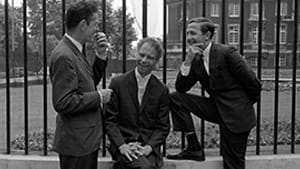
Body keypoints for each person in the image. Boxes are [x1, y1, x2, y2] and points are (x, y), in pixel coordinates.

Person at [166, 17, 261, 169]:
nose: (189, 38)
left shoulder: (226, 53)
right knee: (176, 98)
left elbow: (253, 83)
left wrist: (241, 106)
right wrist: (187, 62)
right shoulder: (196, 60)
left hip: (237, 114)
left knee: (232, 163)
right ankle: (193, 147)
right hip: (217, 108)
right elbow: (181, 88)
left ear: (207, 35)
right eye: (187, 33)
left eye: (193, 33)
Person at [49, 1, 112, 169]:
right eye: (95, 24)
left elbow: (88, 83)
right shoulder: (65, 55)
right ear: (83, 24)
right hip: (77, 144)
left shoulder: (75, 50)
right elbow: (63, 102)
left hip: (84, 141)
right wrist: (99, 96)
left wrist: (100, 56)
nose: (97, 29)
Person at [105, 37, 170, 169]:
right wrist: (122, 145)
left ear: (157, 62)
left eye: (150, 57)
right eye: (141, 55)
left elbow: (163, 127)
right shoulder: (118, 83)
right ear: (136, 53)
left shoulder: (161, 90)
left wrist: (148, 147)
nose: (144, 60)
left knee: (146, 165)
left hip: (147, 148)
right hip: (123, 145)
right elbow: (109, 120)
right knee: (144, 167)